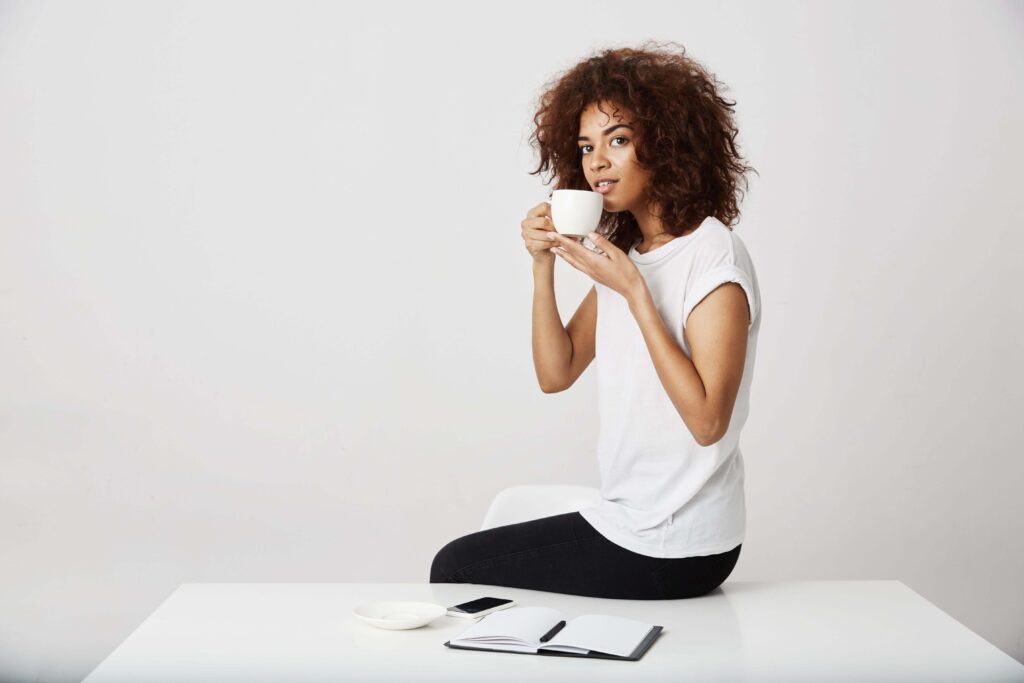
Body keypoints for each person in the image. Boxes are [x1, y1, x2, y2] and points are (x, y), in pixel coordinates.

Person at [430, 41, 761, 600]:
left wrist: (634, 293)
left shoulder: (712, 256)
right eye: (586, 146)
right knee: (473, 565)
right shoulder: (630, 254)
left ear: (670, 144)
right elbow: (555, 373)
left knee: (454, 569)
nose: (596, 162)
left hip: (677, 544)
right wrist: (543, 268)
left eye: (619, 140)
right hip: (632, 518)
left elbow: (708, 423)